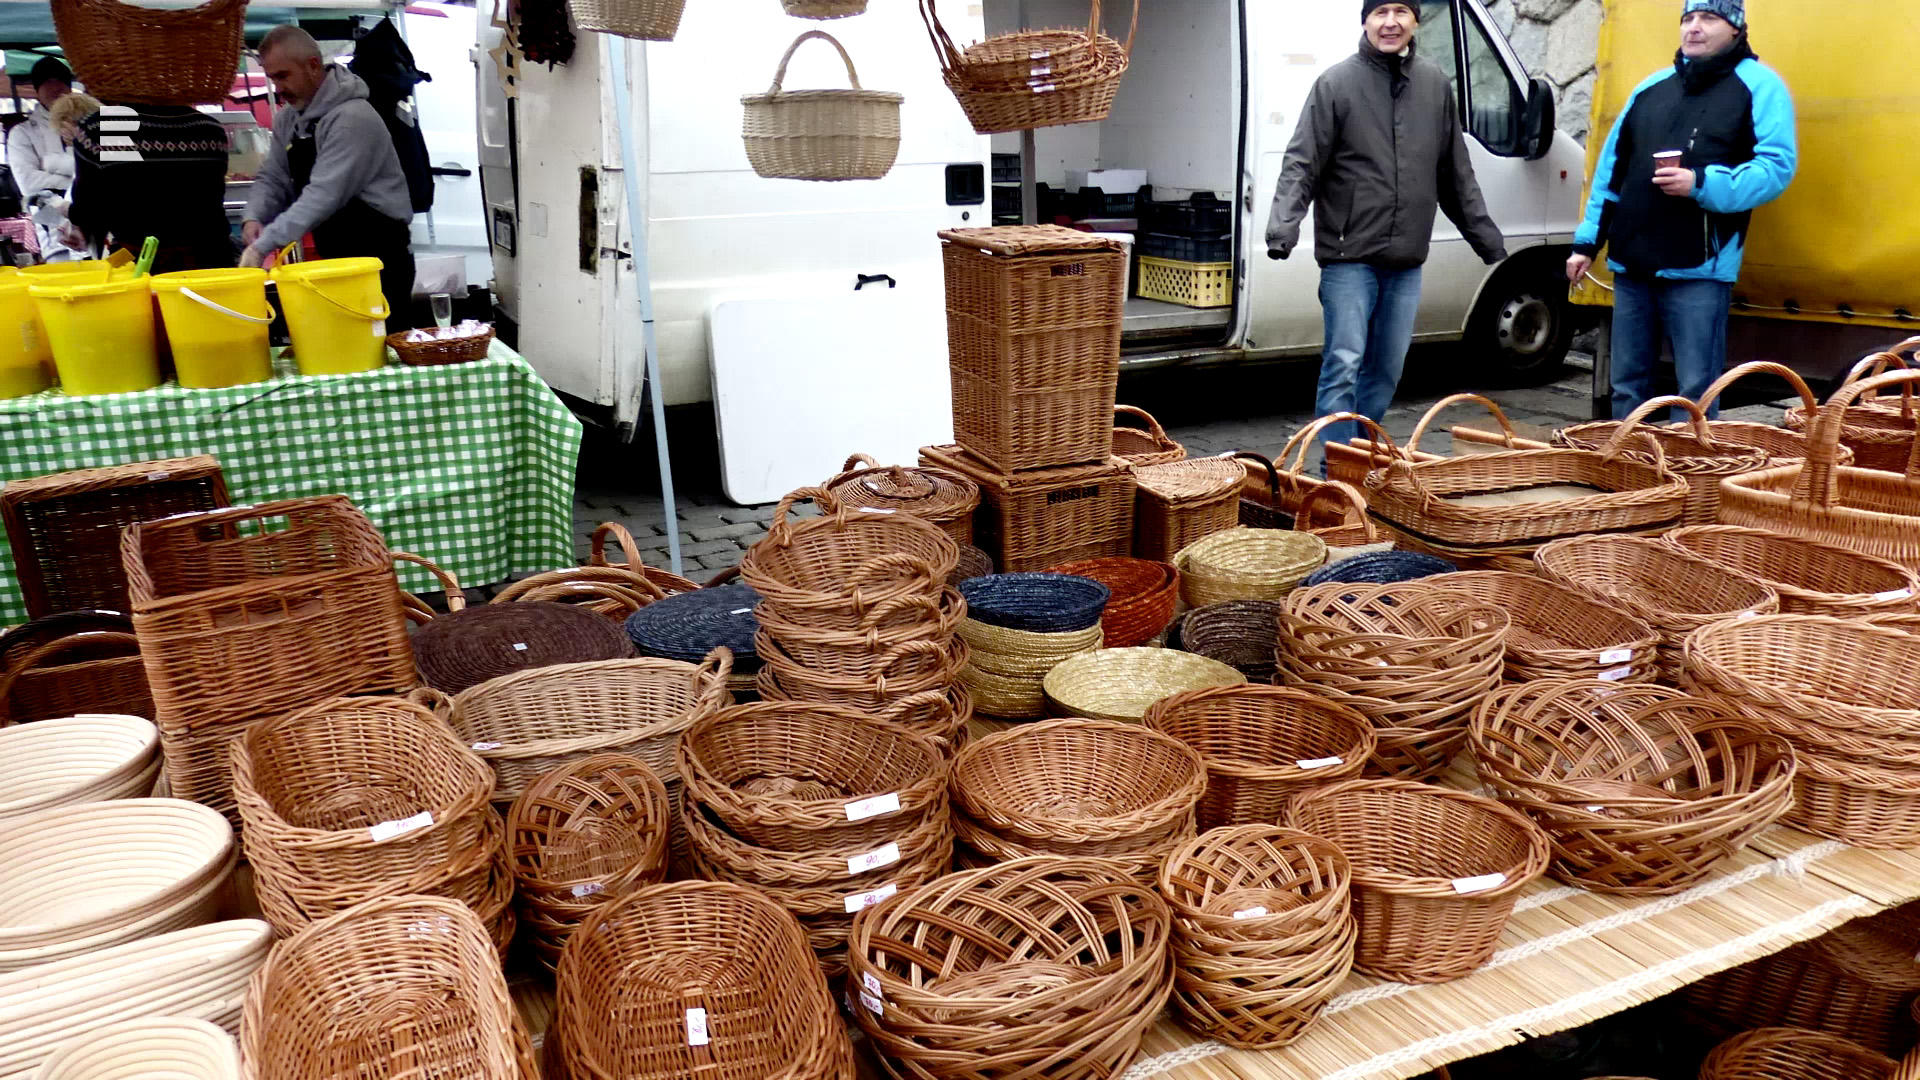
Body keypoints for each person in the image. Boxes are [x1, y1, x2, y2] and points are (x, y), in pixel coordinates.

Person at [1266, 1, 1507, 456]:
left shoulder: (1435, 85)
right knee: (1343, 363)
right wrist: (1283, 228)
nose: (1390, 22)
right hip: (1348, 256)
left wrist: (1487, 240)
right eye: (1380, 12)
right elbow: (1302, 163)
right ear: (1365, 21)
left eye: (1401, 11)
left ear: (1416, 20)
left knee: (1386, 369)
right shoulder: (1336, 84)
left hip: (1405, 259)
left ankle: (1361, 457)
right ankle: (1335, 472)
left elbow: (1455, 173)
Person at [1567, 0, 1796, 419]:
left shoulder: (1760, 86)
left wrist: (1701, 184)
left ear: (1736, 28)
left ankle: (1691, 478)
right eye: (1688, 19)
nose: (1694, 28)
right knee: (1626, 384)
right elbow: (1611, 172)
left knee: (1695, 390)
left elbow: (1776, 168)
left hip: (1701, 269)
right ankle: (1625, 468)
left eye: (1708, 18)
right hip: (1632, 262)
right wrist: (1586, 242)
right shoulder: (1651, 88)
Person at [241, 25, 415, 328]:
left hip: (380, 261)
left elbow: (324, 194)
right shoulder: (289, 119)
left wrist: (264, 245)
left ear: (312, 66)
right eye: (272, 78)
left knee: (381, 352)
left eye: (283, 76)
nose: (278, 88)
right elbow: (273, 176)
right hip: (336, 258)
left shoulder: (352, 118)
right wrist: (254, 217)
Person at [68, 103, 235, 273]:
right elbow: (214, 194)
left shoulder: (100, 126)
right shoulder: (210, 127)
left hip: (139, 264)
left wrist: (77, 224)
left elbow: (87, 204)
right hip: (211, 260)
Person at [7, 57, 80, 262]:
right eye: (47, 81)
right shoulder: (22, 133)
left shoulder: (90, 125)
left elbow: (105, 172)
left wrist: (52, 167)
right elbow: (29, 183)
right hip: (51, 222)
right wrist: (80, 179)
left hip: (93, 222)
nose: (55, 87)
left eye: (60, 80)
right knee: (61, 278)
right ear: (37, 91)